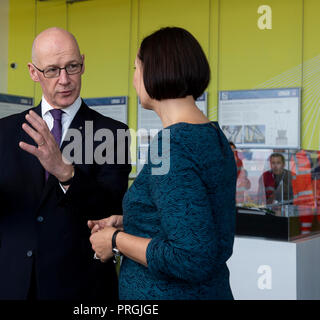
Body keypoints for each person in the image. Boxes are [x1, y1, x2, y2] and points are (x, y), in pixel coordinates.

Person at [0, 27, 131, 300]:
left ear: (83, 64)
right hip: (6, 279)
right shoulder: (5, 130)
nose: (64, 79)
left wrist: (67, 173)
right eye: (52, 70)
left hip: (78, 282)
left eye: (72, 67)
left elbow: (111, 207)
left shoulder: (112, 133)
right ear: (33, 72)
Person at [89, 27, 237, 300]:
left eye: (136, 68)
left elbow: (190, 257)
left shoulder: (170, 145)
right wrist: (132, 221)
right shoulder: (212, 135)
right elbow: (197, 220)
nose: (134, 79)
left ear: (154, 71)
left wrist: (114, 240)